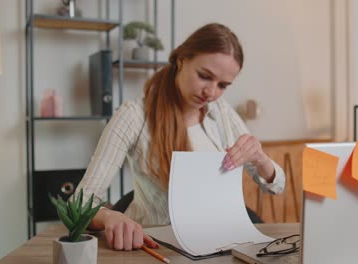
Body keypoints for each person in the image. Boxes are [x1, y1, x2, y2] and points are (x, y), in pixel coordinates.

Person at [75, 23, 286, 251]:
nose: (211, 92)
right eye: (205, 76)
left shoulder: (221, 112)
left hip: (219, 243)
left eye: (223, 85)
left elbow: (276, 186)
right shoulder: (134, 116)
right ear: (182, 60)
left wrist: (260, 158)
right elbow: (79, 204)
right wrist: (108, 216)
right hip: (157, 247)